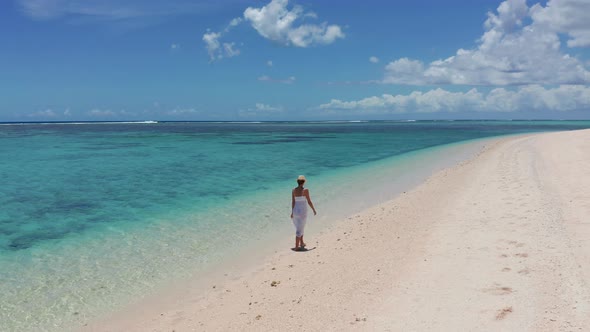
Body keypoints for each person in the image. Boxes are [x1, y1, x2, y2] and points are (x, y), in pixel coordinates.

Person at [290, 175, 317, 251]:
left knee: (300, 227)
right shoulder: (305, 190)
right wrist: (313, 209)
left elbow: (293, 202)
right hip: (302, 211)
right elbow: (309, 201)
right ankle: (296, 247)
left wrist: (292, 212)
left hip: (295, 211)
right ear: (304, 182)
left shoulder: (293, 190)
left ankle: (301, 243)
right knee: (300, 229)